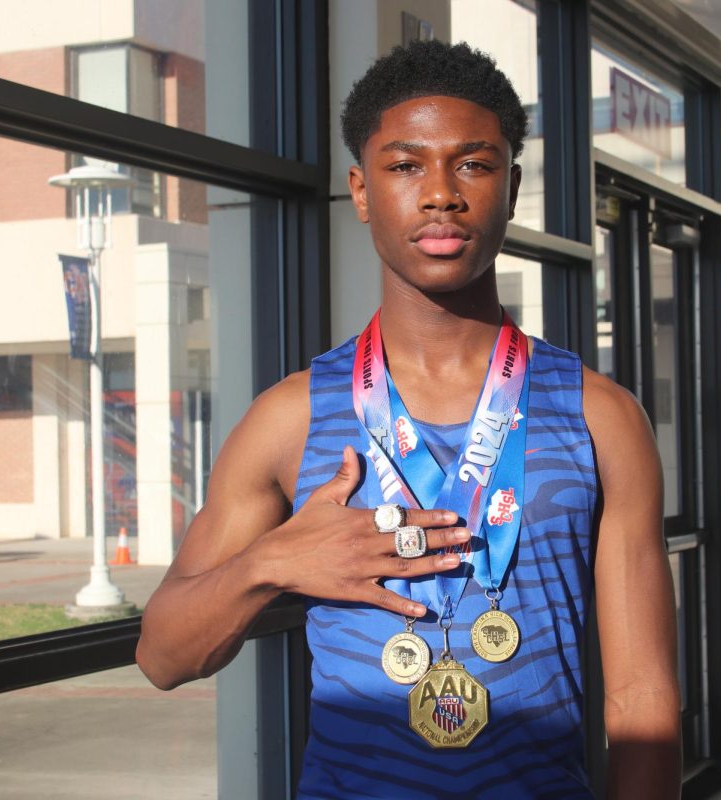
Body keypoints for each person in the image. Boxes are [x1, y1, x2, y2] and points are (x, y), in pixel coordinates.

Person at [137, 39, 680, 799]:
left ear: (512, 186)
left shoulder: (600, 415)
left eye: (473, 163)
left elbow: (643, 700)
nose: (440, 194)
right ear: (361, 191)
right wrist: (273, 562)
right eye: (405, 166)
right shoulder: (293, 417)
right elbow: (164, 656)